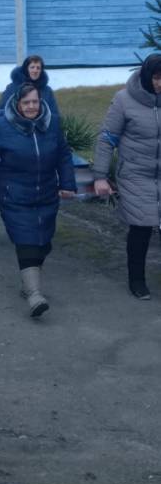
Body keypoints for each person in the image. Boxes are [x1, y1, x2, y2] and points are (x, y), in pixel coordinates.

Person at [0, 82, 76, 318]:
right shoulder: (2, 127)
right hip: (14, 195)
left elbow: (63, 153)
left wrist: (68, 184)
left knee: (43, 242)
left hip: (46, 193)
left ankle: (28, 282)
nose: (31, 107)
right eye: (26, 102)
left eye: (35, 102)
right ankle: (34, 294)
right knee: (27, 240)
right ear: (17, 105)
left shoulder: (52, 123)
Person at [93, 53, 161, 300]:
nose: (160, 83)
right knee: (141, 228)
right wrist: (100, 175)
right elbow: (107, 138)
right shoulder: (124, 100)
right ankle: (137, 280)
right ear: (146, 76)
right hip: (135, 174)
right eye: (156, 78)